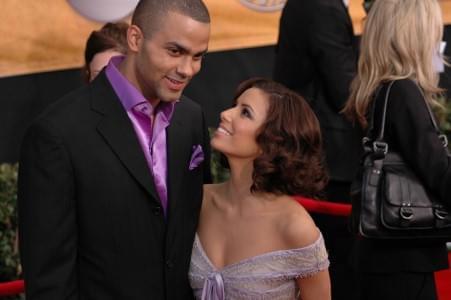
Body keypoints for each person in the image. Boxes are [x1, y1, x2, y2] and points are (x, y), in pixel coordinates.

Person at [18, 0, 211, 299]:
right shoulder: (57, 134)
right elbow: (50, 281)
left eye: (198, 56)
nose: (187, 69)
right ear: (135, 39)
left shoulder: (191, 118)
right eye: (175, 51)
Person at [343, 0, 451, 299]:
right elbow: (439, 171)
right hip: (402, 259)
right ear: (414, 33)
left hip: (381, 254)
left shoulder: (372, 90)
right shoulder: (403, 91)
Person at [189, 78, 331, 300]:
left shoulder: (294, 226)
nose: (226, 113)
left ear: (272, 141)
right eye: (235, 105)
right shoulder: (200, 201)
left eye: (245, 112)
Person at [273, 0, 361, 298]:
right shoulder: (322, 6)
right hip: (329, 161)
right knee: (334, 267)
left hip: (314, 156)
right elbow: (346, 91)